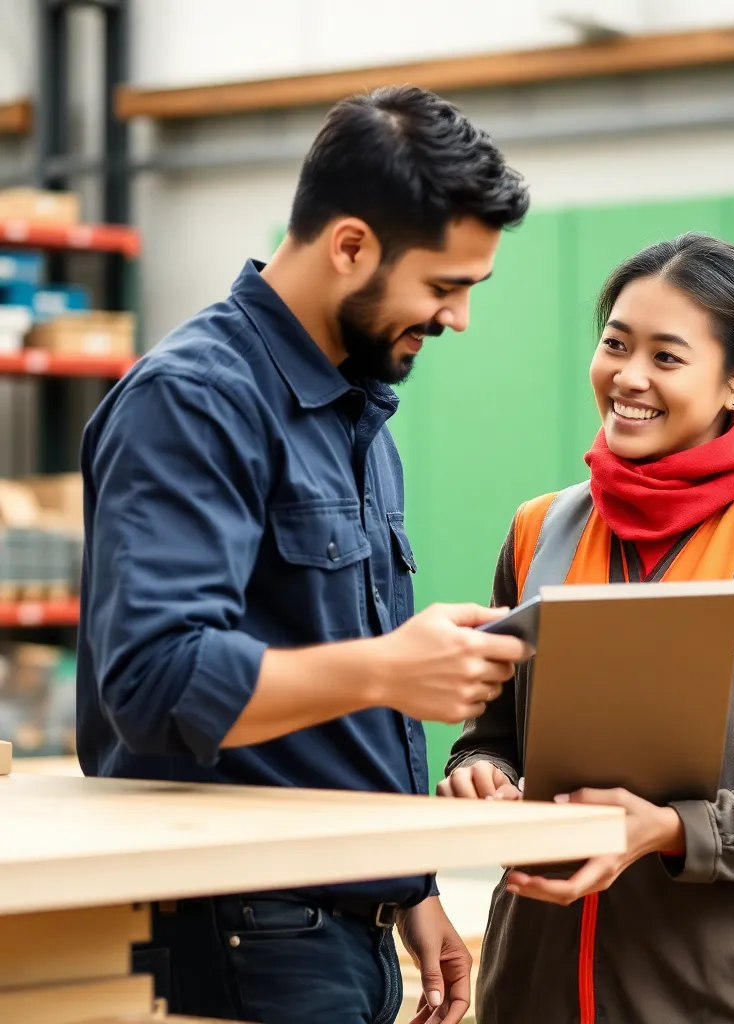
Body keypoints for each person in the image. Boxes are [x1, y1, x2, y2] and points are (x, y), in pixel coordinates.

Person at [76, 85, 532, 1024]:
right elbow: (157, 683)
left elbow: (316, 687)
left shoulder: (352, 412)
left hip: (335, 921)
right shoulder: (194, 401)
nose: (457, 319)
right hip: (239, 932)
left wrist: (407, 886)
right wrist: (388, 670)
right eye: (444, 287)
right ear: (351, 245)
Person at [440, 232, 734, 1023]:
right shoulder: (538, 529)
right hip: (536, 988)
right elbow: (496, 733)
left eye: (667, 356)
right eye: (615, 344)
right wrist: (482, 769)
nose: (629, 376)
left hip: (726, 996)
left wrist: (672, 830)